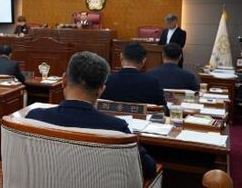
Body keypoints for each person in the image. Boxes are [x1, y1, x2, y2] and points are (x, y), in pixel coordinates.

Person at [27, 51, 157, 180]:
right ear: (101, 90)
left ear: (64, 80)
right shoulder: (117, 129)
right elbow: (149, 169)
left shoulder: (34, 117)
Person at [101, 42, 168, 110]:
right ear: (144, 60)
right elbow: (163, 109)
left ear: (121, 56)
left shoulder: (107, 80)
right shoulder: (152, 82)